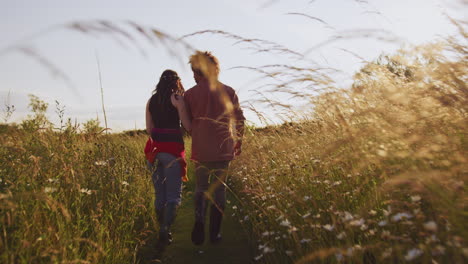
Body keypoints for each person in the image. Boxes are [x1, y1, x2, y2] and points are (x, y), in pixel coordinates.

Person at [171, 51, 245, 245]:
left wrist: (180, 103)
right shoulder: (228, 91)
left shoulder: (190, 95)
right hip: (223, 148)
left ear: (197, 72)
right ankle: (215, 232)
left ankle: (199, 219)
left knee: (201, 187)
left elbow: (187, 125)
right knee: (220, 189)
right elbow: (239, 120)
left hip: (201, 148)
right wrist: (239, 141)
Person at [145, 69, 188, 245]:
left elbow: (149, 130)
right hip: (172, 153)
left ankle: (160, 229)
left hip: (154, 153)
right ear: (176, 82)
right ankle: (165, 229)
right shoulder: (177, 99)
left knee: (159, 195)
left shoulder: (151, 101)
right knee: (173, 195)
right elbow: (186, 124)